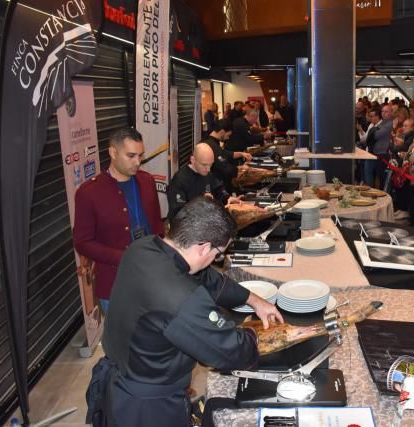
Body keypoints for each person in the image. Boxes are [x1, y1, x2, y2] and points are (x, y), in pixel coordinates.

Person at [86, 197, 284, 427]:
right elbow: (230, 351)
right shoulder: (182, 299)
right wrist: (257, 333)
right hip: (148, 408)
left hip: (121, 377)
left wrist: (253, 299)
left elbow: (207, 277)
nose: (216, 260)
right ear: (203, 247)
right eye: (219, 253)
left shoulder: (143, 248)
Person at [74, 128, 163, 314]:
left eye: (140, 155)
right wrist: (122, 257)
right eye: (130, 156)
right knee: (123, 341)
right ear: (113, 152)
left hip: (152, 275)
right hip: (115, 284)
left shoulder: (147, 181)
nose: (137, 162)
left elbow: (156, 223)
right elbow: (82, 243)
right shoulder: (89, 192)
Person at [166, 143, 242, 221]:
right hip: (185, 228)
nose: (208, 169)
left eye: (211, 164)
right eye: (204, 165)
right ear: (193, 160)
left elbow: (219, 189)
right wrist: (201, 203)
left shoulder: (207, 173)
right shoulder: (179, 180)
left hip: (205, 221)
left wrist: (227, 198)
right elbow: (178, 213)